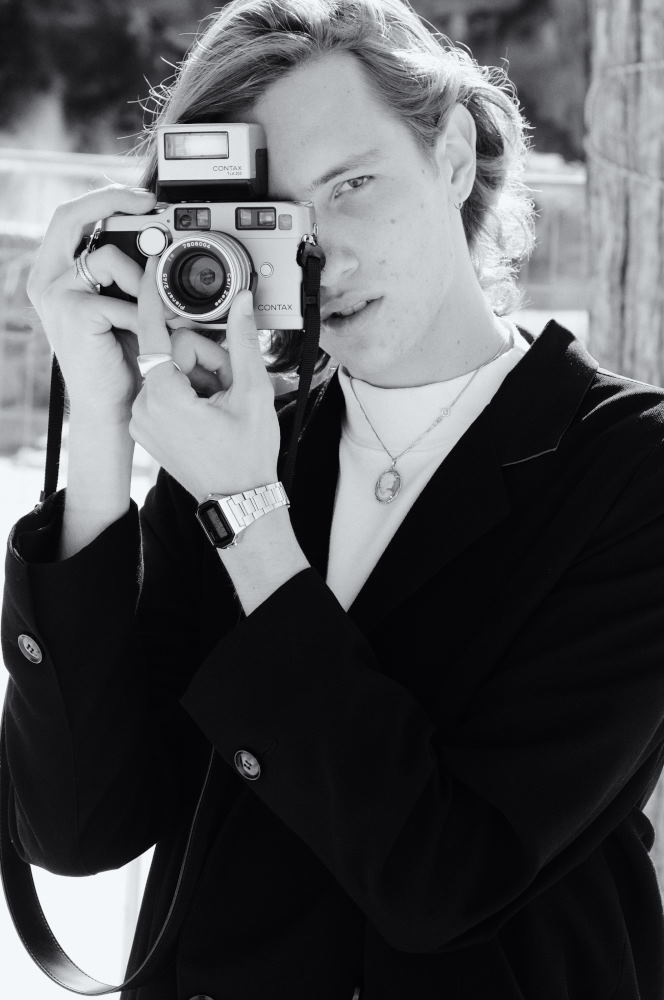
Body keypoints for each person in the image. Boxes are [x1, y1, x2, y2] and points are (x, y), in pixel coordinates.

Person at [3, 1, 664, 998]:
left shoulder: (625, 468)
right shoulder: (247, 437)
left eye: (351, 185)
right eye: (272, 218)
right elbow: (78, 824)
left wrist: (247, 514)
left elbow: (445, 878)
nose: (324, 256)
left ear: (450, 156)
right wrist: (100, 428)